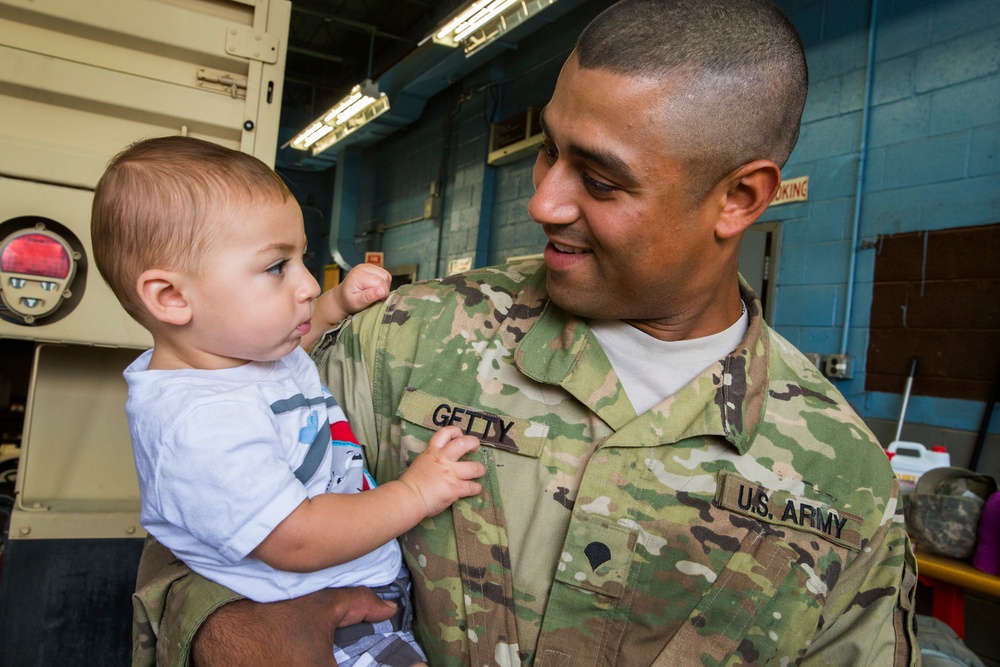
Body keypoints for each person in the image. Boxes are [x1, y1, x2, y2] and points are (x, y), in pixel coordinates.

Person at [132, 1, 920, 665]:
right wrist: (223, 629)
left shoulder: (843, 479)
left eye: (600, 180)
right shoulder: (406, 343)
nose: (543, 200)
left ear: (740, 199)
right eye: (548, 149)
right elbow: (206, 514)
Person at [90, 136, 486, 667]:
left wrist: (333, 306)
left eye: (303, 258)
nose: (303, 283)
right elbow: (294, 539)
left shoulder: (237, 354)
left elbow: (287, 356)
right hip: (314, 620)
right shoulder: (198, 423)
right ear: (172, 298)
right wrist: (416, 492)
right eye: (277, 267)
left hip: (354, 588)